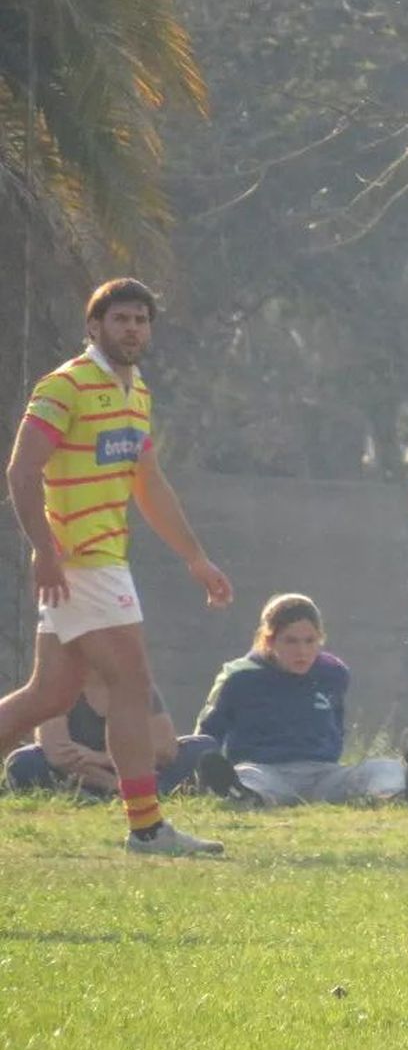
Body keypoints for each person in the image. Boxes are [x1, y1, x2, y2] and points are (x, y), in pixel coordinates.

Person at [0, 278, 232, 855]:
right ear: (94, 326)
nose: (133, 328)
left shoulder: (136, 392)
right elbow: (21, 473)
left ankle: (147, 827)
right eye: (121, 319)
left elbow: (148, 483)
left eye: (141, 320)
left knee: (49, 694)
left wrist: (194, 556)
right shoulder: (66, 384)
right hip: (82, 563)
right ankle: (147, 827)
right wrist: (47, 552)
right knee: (131, 682)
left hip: (103, 563)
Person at [193, 593, 406, 806]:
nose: (302, 651)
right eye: (290, 641)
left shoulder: (333, 674)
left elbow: (337, 725)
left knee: (386, 767)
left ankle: (389, 795)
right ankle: (245, 795)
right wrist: (198, 770)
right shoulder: (240, 677)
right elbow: (208, 734)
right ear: (269, 640)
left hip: (324, 775)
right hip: (267, 772)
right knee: (247, 776)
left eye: (310, 641)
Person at [5, 671, 215, 798]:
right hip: (81, 774)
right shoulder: (60, 686)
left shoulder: (137, 683)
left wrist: (100, 758)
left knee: (202, 748)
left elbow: (166, 750)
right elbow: (59, 754)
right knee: (24, 762)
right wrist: (114, 785)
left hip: (139, 768)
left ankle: (146, 790)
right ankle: (147, 793)